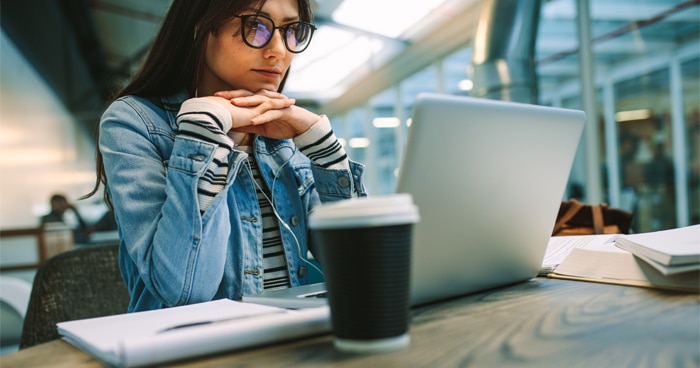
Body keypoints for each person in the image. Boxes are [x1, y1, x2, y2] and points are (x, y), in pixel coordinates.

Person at [84, 0, 366, 312]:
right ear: (201, 28)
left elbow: (360, 268)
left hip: (292, 341)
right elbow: (184, 290)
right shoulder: (135, 122)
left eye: (291, 30)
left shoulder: (282, 136)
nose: (279, 51)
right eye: (255, 27)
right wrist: (207, 127)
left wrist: (322, 144)